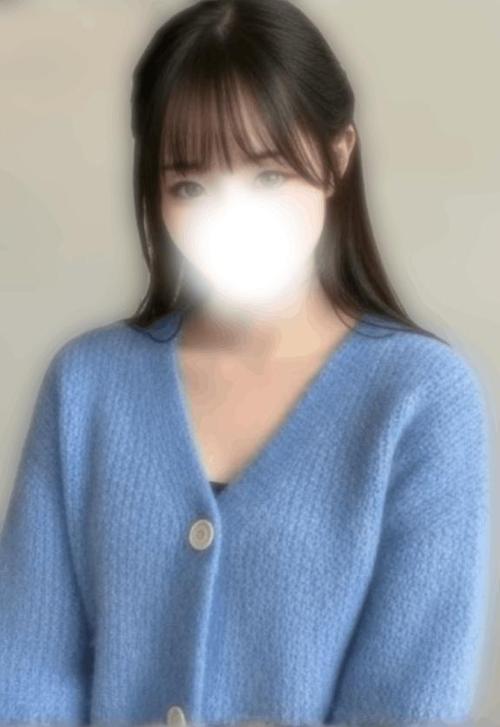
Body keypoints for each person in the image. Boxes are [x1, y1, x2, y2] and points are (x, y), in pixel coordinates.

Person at [0, 1, 490, 726]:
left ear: (337, 155)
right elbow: (26, 682)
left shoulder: (420, 401)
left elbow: (407, 703)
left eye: (267, 176)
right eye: (190, 186)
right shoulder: (87, 386)